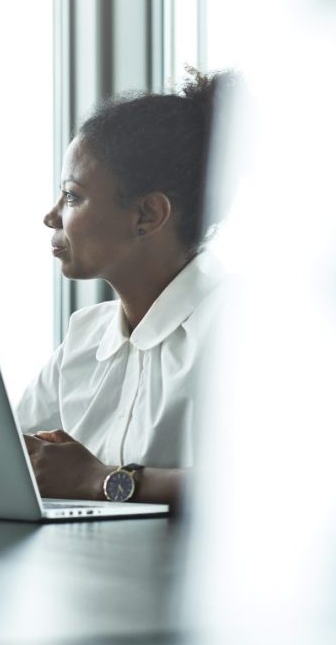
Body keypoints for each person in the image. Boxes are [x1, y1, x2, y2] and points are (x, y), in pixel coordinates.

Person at [16, 69, 230, 512]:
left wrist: (104, 481)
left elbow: (287, 483)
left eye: (72, 197)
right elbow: (9, 456)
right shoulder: (85, 336)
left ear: (147, 215)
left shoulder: (243, 324)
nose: (52, 217)